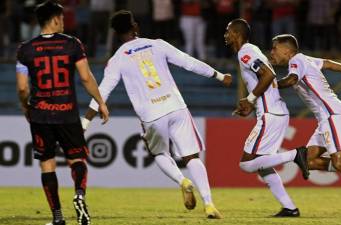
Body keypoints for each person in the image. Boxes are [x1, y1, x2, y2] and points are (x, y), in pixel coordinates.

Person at [82, 10, 232, 219]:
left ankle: (182, 181)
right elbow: (188, 61)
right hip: (175, 106)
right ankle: (209, 204)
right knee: (192, 156)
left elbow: (102, 91)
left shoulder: (117, 59)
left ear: (117, 33)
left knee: (159, 154)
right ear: (134, 27)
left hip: (151, 114)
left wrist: (86, 121)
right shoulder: (158, 44)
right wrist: (218, 75)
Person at [15, 1, 109, 225]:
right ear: (55, 19)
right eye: (62, 18)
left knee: (47, 164)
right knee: (77, 158)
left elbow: (21, 88)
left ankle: (57, 217)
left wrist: (26, 106)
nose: (64, 22)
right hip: (67, 112)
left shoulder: (25, 49)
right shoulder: (72, 44)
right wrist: (100, 102)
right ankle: (79, 194)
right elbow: (86, 77)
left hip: (40, 115)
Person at [270, 34, 341, 217]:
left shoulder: (296, 61)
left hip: (332, 114)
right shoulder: (304, 59)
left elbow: (292, 80)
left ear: (286, 51)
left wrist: (269, 85)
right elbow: (326, 63)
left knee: (339, 161)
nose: (272, 52)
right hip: (325, 119)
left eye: (274, 48)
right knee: (308, 161)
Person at [224, 18, 309, 217]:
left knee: (246, 164)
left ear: (237, 33)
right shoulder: (249, 51)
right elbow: (266, 75)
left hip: (270, 114)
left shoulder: (245, 52)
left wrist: (251, 99)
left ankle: (295, 155)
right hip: (275, 112)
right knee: (263, 165)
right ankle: (290, 208)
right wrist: (250, 105)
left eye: (228, 31)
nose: (225, 35)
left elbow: (268, 75)